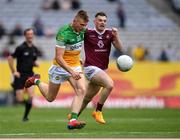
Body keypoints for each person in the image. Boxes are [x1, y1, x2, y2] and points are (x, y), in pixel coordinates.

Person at [24, 10, 89, 129]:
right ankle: (36, 81)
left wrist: (78, 60)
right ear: (74, 21)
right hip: (60, 67)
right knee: (50, 98)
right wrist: (71, 71)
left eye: (85, 25)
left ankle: (73, 120)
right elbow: (59, 58)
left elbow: (77, 48)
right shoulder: (63, 33)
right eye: (81, 25)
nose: (83, 28)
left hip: (74, 66)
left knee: (82, 90)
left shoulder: (83, 31)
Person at [75, 12, 123, 124]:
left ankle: (73, 116)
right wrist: (76, 58)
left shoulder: (110, 34)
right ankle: (98, 111)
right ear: (95, 21)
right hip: (90, 68)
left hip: (101, 70)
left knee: (87, 98)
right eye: (100, 20)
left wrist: (117, 36)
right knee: (110, 85)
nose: (102, 23)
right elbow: (75, 42)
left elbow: (120, 49)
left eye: (104, 21)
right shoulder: (87, 32)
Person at [7, 28, 40, 122]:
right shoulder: (20, 48)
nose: (30, 35)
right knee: (20, 99)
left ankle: (25, 117)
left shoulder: (34, 49)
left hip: (30, 75)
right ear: (25, 36)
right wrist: (14, 72)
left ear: (33, 35)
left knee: (31, 97)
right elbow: (10, 58)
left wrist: (35, 64)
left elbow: (32, 60)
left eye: (31, 34)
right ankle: (16, 89)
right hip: (20, 75)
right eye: (28, 34)